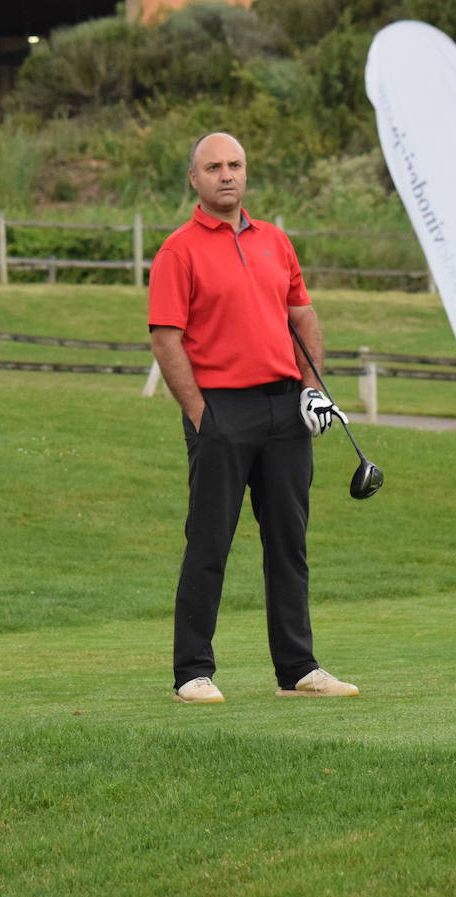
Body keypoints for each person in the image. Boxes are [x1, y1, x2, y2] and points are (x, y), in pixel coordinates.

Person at [147, 131, 360, 705]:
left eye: (235, 164)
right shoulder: (178, 250)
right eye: (213, 166)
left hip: (285, 408)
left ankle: (297, 668)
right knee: (210, 540)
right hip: (221, 410)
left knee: (288, 541)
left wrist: (313, 391)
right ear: (194, 179)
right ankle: (192, 671)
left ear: (246, 173)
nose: (226, 174)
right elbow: (166, 340)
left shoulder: (275, 241)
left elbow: (303, 317)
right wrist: (199, 414)